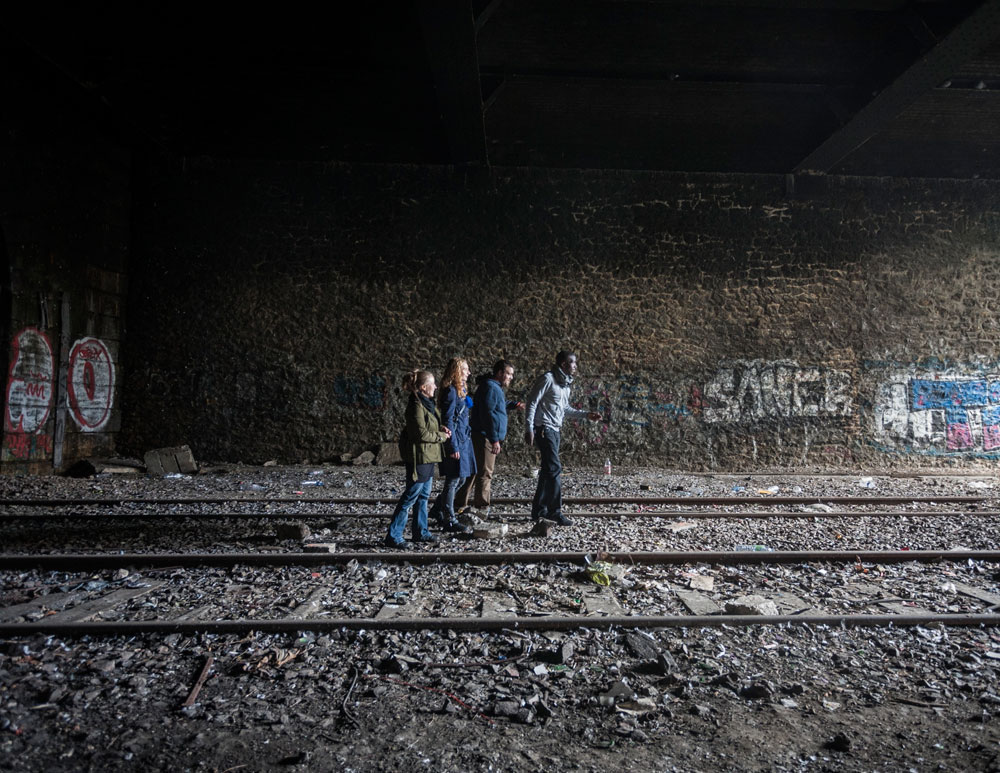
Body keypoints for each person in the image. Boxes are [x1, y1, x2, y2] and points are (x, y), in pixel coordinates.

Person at [524, 351, 602, 526]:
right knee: (555, 468)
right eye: (573, 363)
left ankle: (539, 511)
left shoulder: (565, 385)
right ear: (564, 364)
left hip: (555, 430)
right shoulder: (548, 379)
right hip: (544, 429)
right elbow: (532, 402)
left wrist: (586, 415)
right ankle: (555, 511)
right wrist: (529, 428)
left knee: (547, 470)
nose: (576, 366)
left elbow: (565, 409)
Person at [385, 369, 451, 548]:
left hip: (429, 456)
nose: (436, 386)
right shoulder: (416, 405)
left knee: (423, 496)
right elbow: (420, 433)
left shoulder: (426, 404)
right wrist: (441, 436)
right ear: (423, 387)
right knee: (411, 496)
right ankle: (394, 535)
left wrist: (440, 428)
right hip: (419, 457)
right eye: (433, 384)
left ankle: (420, 532)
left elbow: (429, 425)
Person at [455, 359, 522, 517]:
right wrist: (494, 439)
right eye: (509, 374)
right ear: (500, 373)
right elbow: (489, 414)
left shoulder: (490, 387)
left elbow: (495, 405)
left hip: (481, 435)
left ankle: (459, 504)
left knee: (473, 471)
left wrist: (512, 404)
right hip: (485, 437)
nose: (511, 377)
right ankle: (482, 508)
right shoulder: (492, 388)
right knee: (485, 473)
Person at [428, 358, 475, 535]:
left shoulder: (459, 390)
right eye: (465, 369)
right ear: (456, 371)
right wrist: (452, 446)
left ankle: (437, 509)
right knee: (453, 480)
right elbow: (448, 420)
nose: (468, 372)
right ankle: (449, 519)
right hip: (456, 441)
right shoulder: (451, 392)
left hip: (463, 440)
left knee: (461, 479)